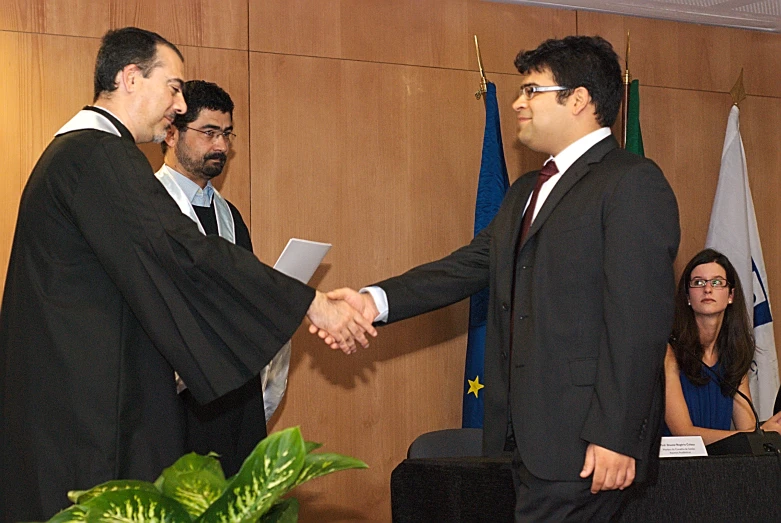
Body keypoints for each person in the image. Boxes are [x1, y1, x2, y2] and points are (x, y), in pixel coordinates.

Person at [0, 27, 374, 521]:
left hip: (68, 409)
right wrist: (309, 303)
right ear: (131, 78)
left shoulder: (80, 155)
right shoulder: (97, 154)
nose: (179, 104)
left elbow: (145, 275)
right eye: (173, 86)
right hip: (85, 424)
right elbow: (184, 253)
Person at [318, 36, 680, 520]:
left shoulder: (631, 182)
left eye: (531, 90)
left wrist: (615, 436)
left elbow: (638, 323)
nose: (517, 103)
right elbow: (465, 267)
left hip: (589, 447)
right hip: (527, 443)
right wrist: (372, 302)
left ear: (578, 100)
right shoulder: (527, 191)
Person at [156, 79, 290, 476]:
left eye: (227, 134)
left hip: (237, 401)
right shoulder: (147, 208)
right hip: (177, 404)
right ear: (170, 133)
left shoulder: (232, 217)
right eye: (209, 133)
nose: (221, 146)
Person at [664, 249, 781, 443]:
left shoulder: (733, 355)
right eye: (698, 282)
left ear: (730, 295)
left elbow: (747, 429)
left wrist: (768, 431)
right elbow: (683, 433)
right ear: (687, 296)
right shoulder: (670, 351)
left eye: (717, 282)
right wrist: (757, 434)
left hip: (721, 467)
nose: (707, 289)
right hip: (675, 468)